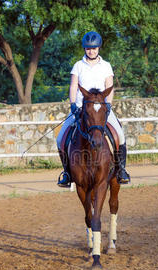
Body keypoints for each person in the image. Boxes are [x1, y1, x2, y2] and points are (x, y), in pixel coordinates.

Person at [56, 31, 131, 187]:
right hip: (80, 109)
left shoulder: (106, 66)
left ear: (98, 48)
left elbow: (109, 87)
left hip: (101, 109)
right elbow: (73, 86)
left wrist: (108, 105)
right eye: (88, 49)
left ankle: (121, 169)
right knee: (60, 137)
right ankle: (67, 173)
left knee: (120, 136)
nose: (91, 51)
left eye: (94, 48)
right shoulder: (78, 65)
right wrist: (73, 105)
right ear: (85, 49)